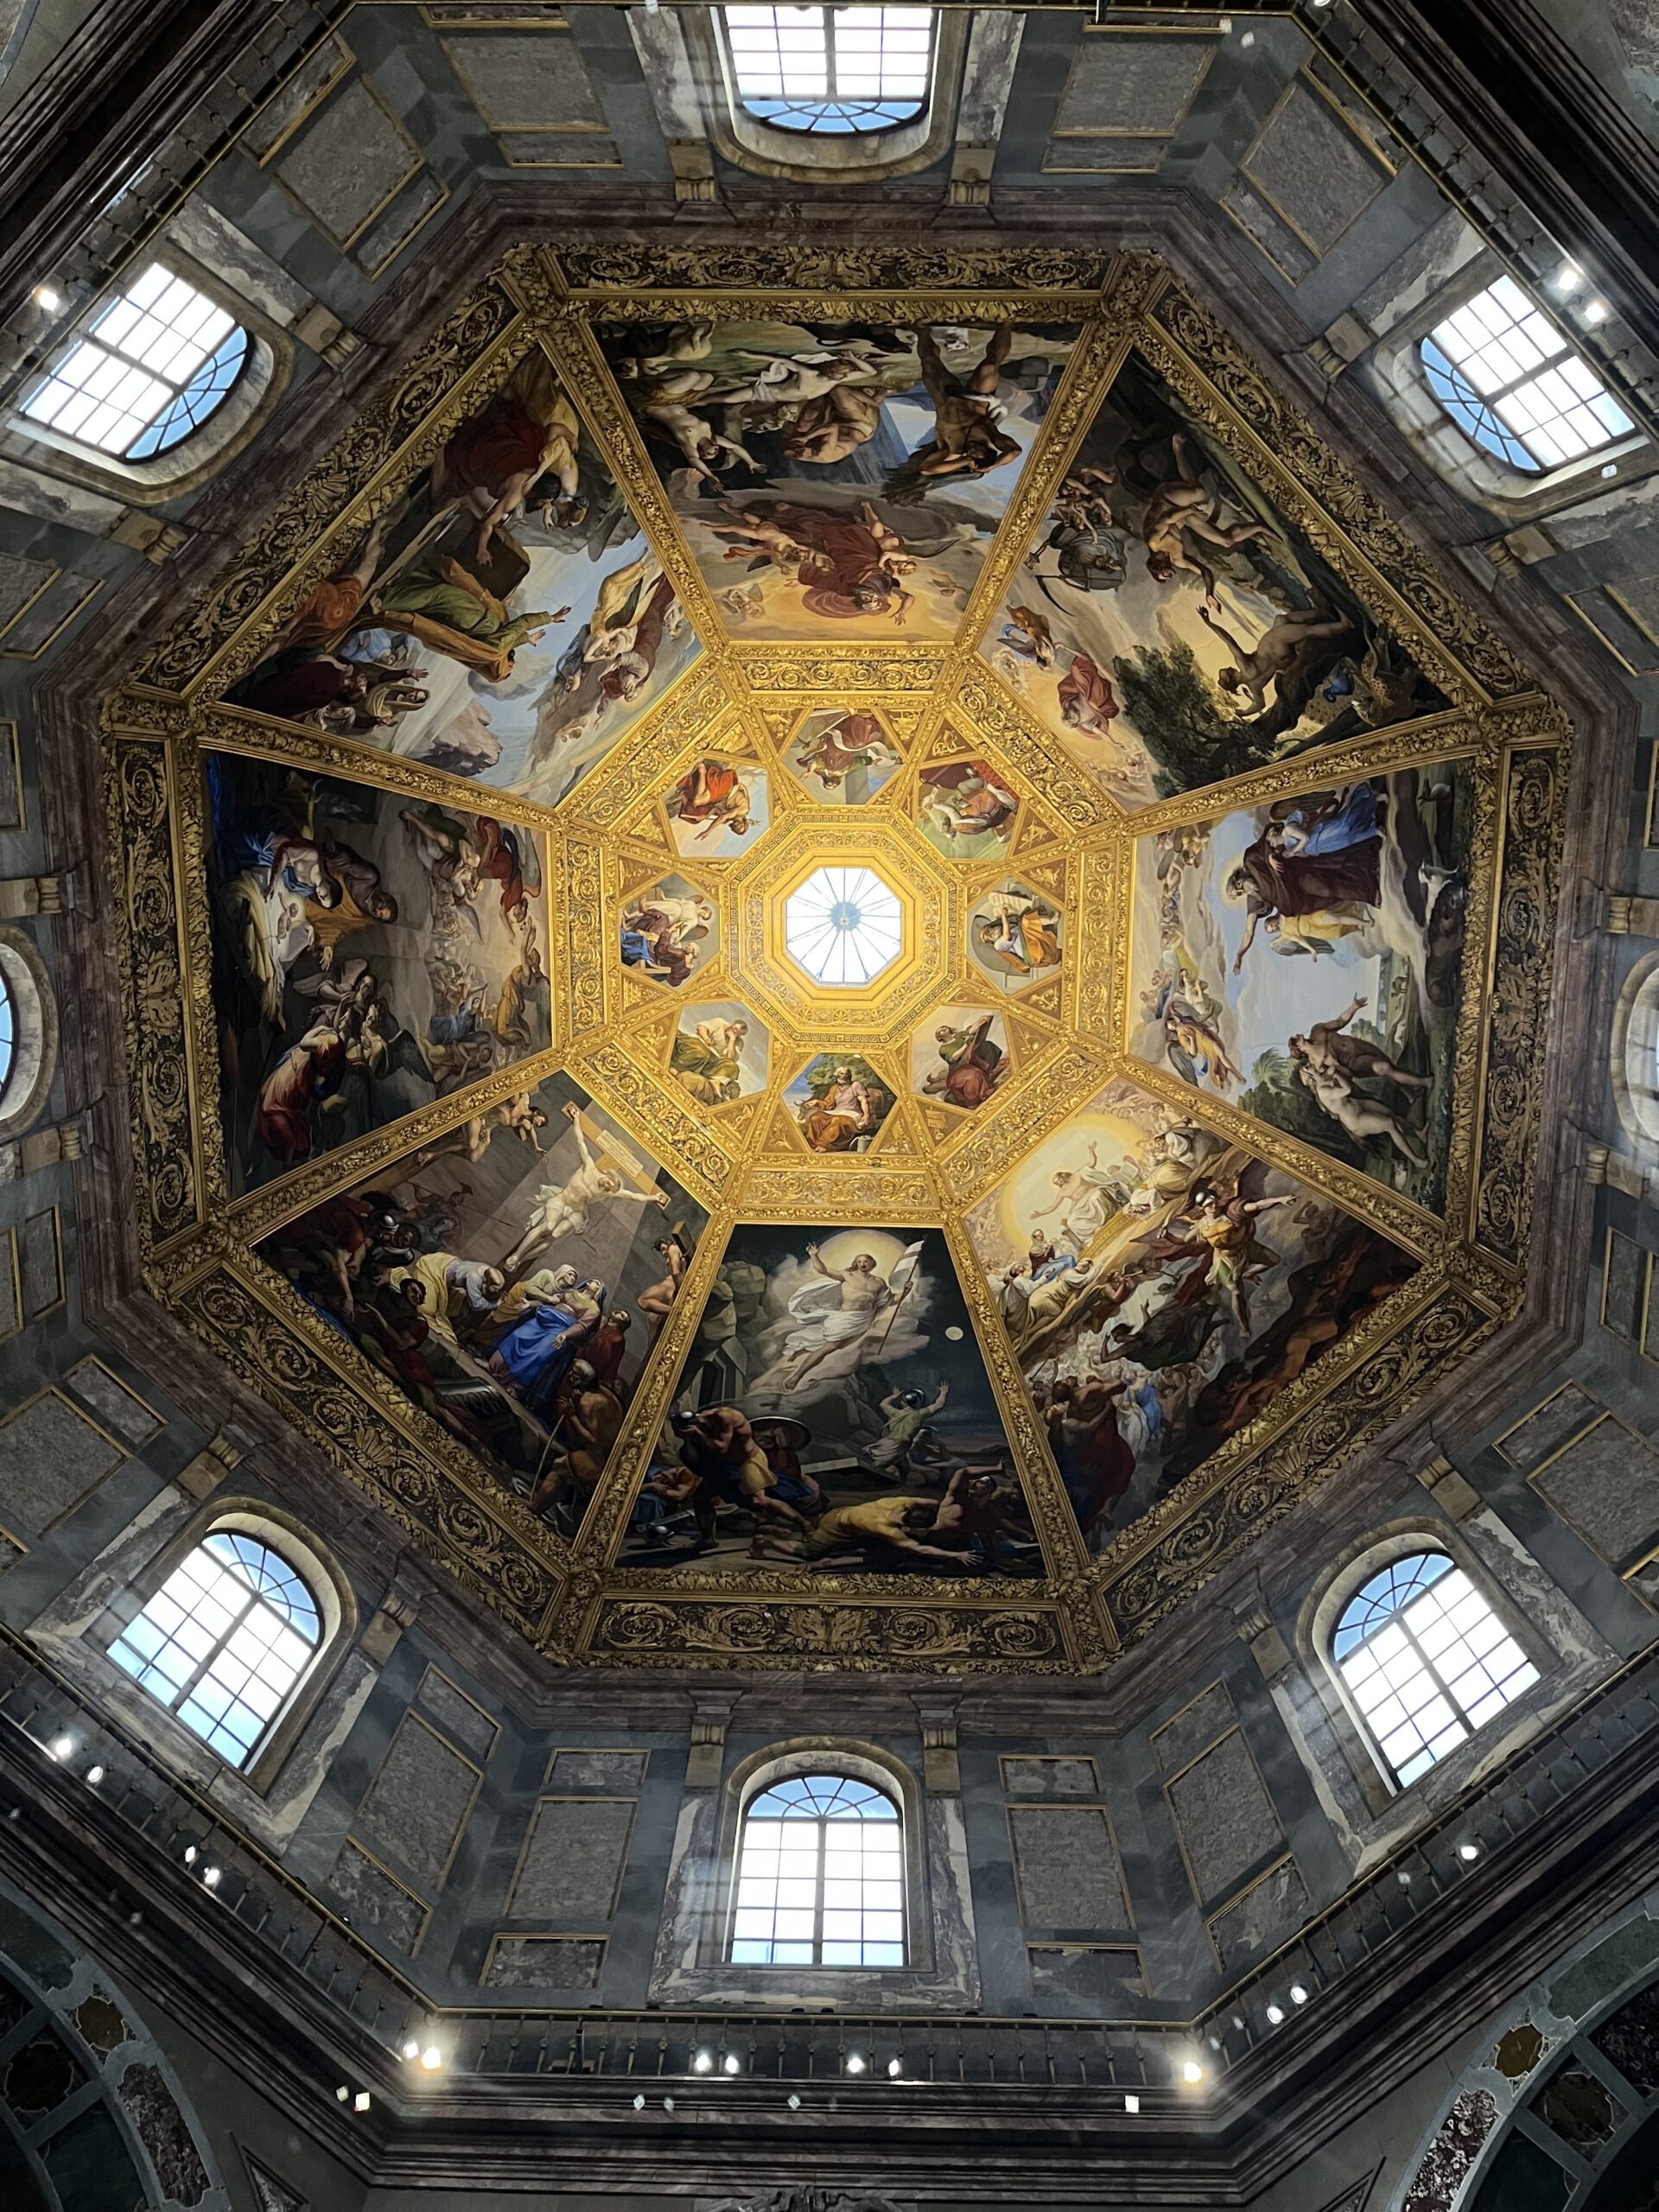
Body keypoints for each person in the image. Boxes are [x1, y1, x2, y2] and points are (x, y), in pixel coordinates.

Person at [502, 1104, 669, 1274]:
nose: (605, 1187)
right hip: (562, 1199)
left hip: (576, 1212)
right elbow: (580, 1140)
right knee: (548, 1227)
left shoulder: (607, 1192)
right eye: (607, 1183)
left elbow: (633, 1196)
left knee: (554, 1235)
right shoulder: (589, 1167)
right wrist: (576, 1119)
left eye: (609, 1189)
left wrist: (654, 1198)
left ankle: (522, 1260)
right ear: (607, 1175)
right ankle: (517, 1255)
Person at [799, 1065, 880, 1153]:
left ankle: (826, 1145)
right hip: (837, 1111)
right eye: (841, 1074)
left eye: (846, 1074)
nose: (844, 1076)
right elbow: (828, 1104)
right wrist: (816, 1102)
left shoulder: (855, 1085)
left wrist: (866, 1115)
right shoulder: (834, 1089)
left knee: (836, 1120)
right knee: (815, 1117)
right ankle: (814, 1143)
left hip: (852, 1113)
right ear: (836, 1075)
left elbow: (863, 1101)